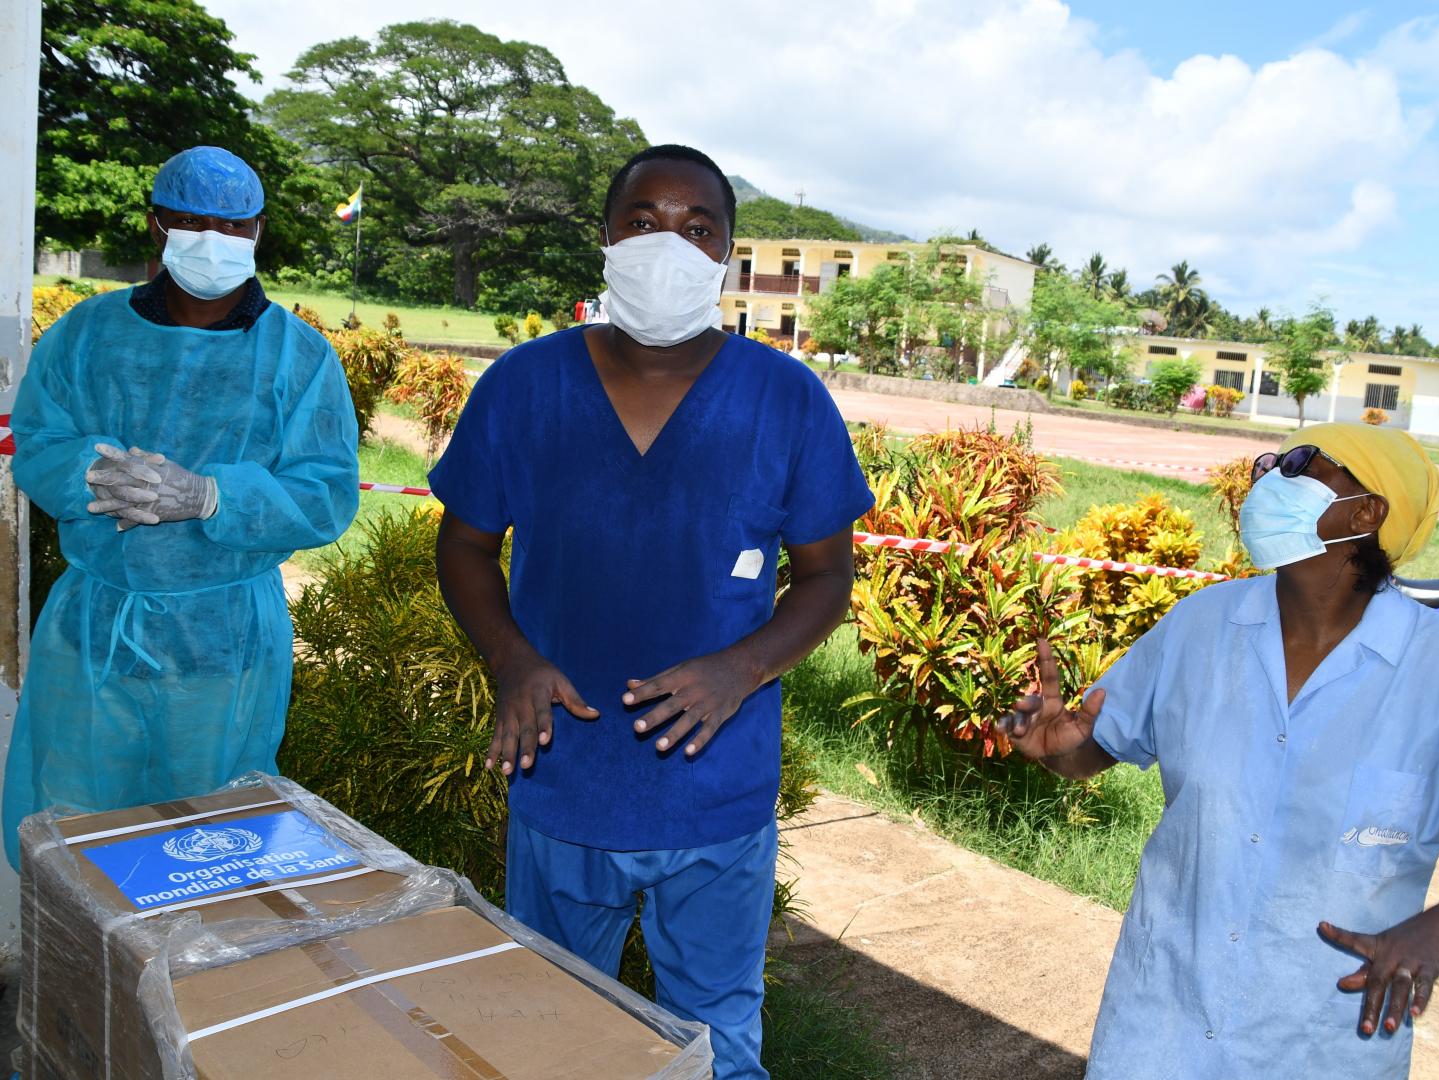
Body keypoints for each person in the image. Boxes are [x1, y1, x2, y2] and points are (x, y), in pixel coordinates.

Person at [430, 144, 872, 1078]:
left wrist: (741, 667)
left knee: (715, 1039)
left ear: (726, 258)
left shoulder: (784, 399)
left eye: (697, 228)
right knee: (548, 1028)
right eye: (642, 222)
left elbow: (827, 576)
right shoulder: (525, 386)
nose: (666, 244)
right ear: (605, 238)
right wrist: (512, 659)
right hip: (563, 780)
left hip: (716, 794)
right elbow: (465, 545)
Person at [1001, 423, 1439, 1079]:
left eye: (1300, 464)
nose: (1268, 475)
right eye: (1269, 459)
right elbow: (1092, 751)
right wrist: (1053, 747)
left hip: (1317, 1048)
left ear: (1366, 511)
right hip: (1162, 1027)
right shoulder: (1202, 626)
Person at [4, 146, 359, 867]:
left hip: (223, 647)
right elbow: (38, 436)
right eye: (191, 221)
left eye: (233, 226)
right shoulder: (86, 333)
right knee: (78, 850)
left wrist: (212, 497)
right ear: (156, 225)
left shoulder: (299, 357)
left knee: (206, 849)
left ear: (258, 231)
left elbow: (326, 492)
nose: (212, 239)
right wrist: (96, 473)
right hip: (91, 638)